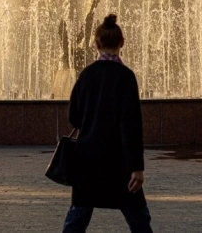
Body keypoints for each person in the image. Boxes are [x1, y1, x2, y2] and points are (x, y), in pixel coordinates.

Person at [61, 14, 153, 233]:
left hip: (87, 159)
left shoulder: (87, 75)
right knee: (139, 218)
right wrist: (136, 168)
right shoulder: (126, 77)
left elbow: (73, 117)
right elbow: (131, 125)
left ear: (96, 44)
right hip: (118, 162)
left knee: (77, 217)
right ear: (122, 43)